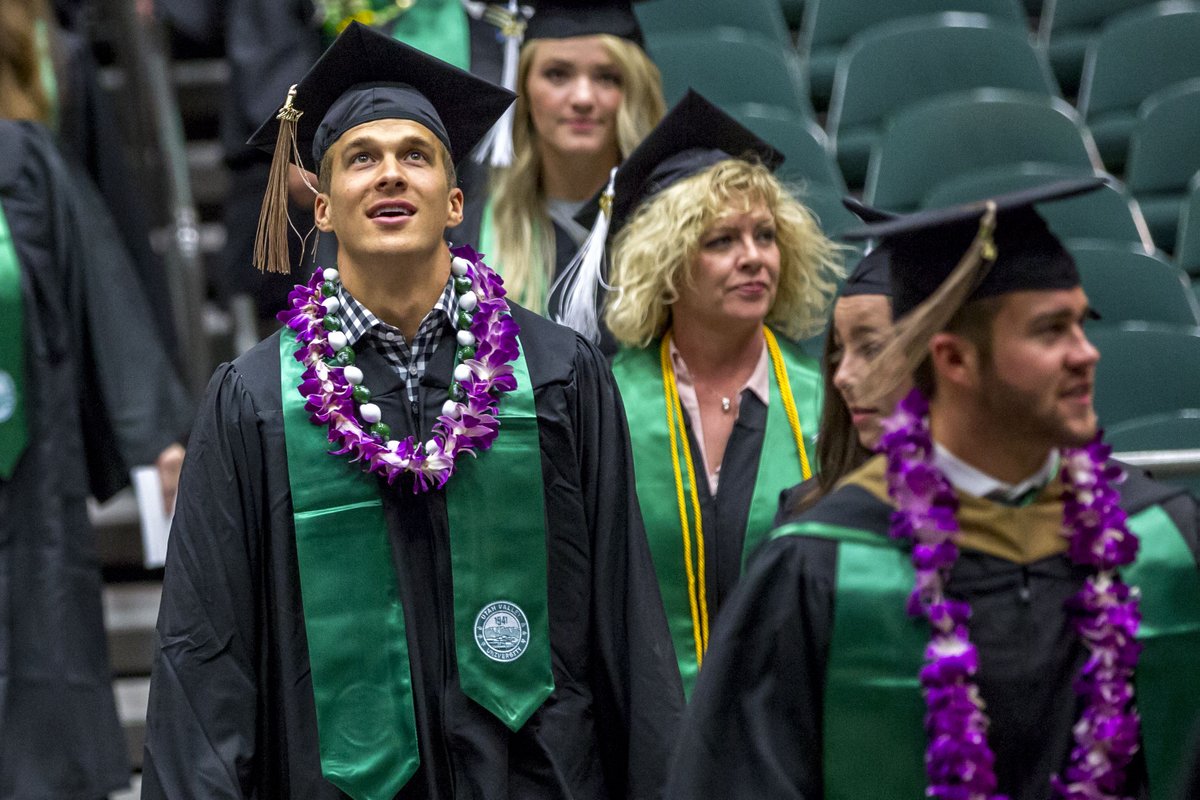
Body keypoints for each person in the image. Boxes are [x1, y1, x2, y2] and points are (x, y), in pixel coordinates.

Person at [143, 23, 682, 800]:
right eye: (362, 158)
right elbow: (205, 660)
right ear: (321, 207)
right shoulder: (255, 404)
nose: (390, 176)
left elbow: (628, 629)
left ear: (455, 199)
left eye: (416, 156)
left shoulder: (559, 375)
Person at [666, 179, 1200, 799]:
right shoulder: (824, 565)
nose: (1086, 354)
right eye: (1051, 331)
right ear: (954, 361)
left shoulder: (1162, 544)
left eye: (1080, 325)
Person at [601, 91, 841, 698]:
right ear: (668, 263)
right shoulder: (607, 404)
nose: (754, 258)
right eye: (722, 241)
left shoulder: (827, 406)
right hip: (649, 734)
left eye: (765, 235)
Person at [0, 119, 191, 800]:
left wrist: (156, 431)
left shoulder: (21, 158)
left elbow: (99, 284)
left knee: (45, 660)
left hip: (29, 474)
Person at [457, 0, 665, 342]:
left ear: (634, 91)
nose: (583, 97)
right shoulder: (470, 226)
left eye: (607, 77)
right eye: (557, 74)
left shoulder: (677, 229)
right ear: (524, 88)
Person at [775, 206, 904, 521]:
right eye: (838, 351)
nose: (841, 377)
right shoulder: (809, 521)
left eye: (872, 349)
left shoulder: (1020, 515)